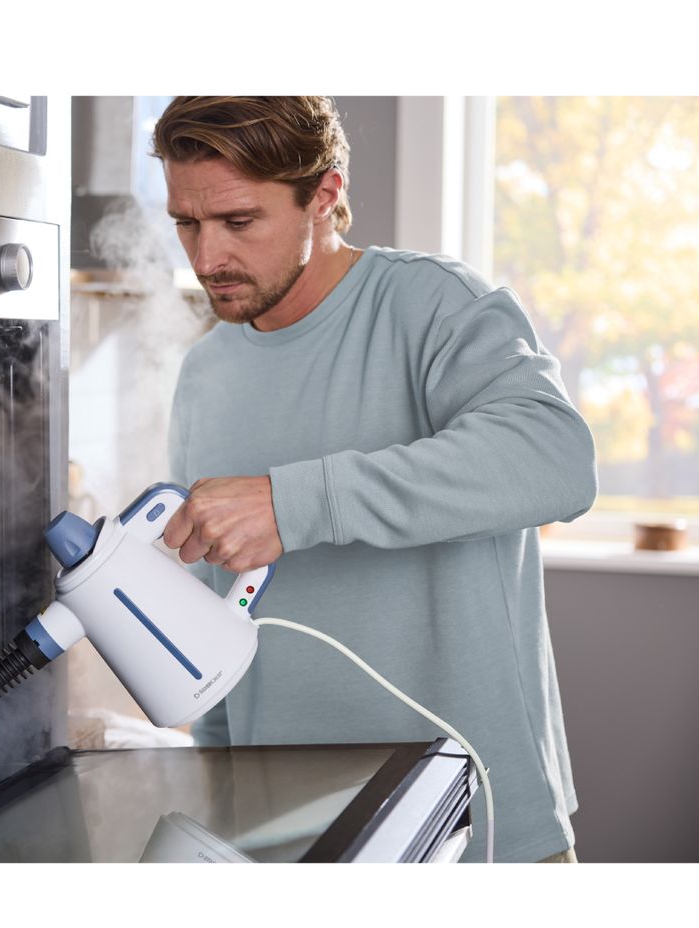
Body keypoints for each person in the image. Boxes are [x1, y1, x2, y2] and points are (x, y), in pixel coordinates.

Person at [153, 96, 596, 863]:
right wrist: (218, 794)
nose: (205, 257)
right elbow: (218, 618)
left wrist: (295, 503)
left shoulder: (432, 306)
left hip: (476, 830)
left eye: (238, 221)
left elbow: (556, 457)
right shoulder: (205, 374)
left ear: (324, 197)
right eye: (186, 223)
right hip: (287, 837)